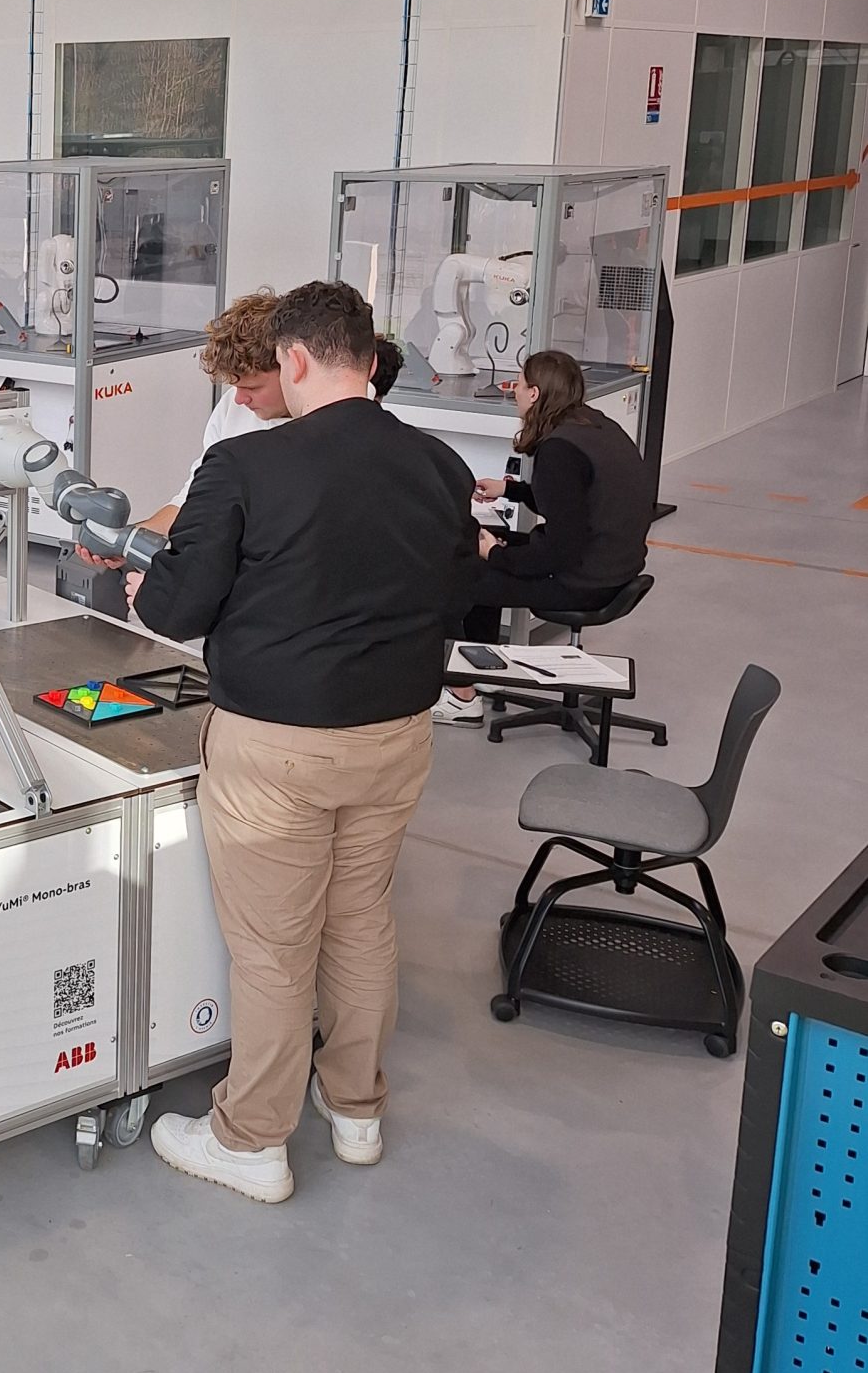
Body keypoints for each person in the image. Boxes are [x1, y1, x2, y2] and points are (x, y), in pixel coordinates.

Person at [131, 278, 477, 1207]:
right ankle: (355, 1110)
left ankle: (250, 1139)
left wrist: (148, 583)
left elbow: (175, 608)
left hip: (276, 748)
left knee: (273, 950)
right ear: (365, 359)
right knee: (360, 923)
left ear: (290, 358)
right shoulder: (439, 465)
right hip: (396, 736)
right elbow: (457, 598)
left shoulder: (245, 467)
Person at [435, 348, 658, 723]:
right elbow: (574, 506)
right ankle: (486, 672)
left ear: (535, 393)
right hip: (615, 565)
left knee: (458, 577)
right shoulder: (596, 426)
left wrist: (497, 555)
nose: (516, 392)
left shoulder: (559, 449)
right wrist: (509, 490)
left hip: (585, 580)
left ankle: (462, 696)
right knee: (487, 540)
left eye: (519, 385)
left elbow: (559, 551)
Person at [140, 290, 287, 537]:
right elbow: (196, 497)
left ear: (292, 368)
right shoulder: (232, 406)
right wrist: (134, 537)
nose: (240, 399)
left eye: (252, 388)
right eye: (235, 386)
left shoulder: (326, 426)